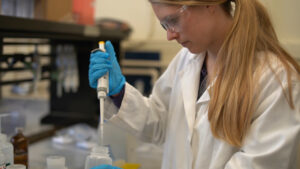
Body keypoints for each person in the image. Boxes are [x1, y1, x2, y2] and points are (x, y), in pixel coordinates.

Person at [88, 0, 300, 168]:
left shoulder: (276, 79)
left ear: (209, 4)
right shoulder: (186, 60)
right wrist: (118, 92)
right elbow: (160, 124)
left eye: (172, 21)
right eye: (164, 25)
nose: (170, 35)